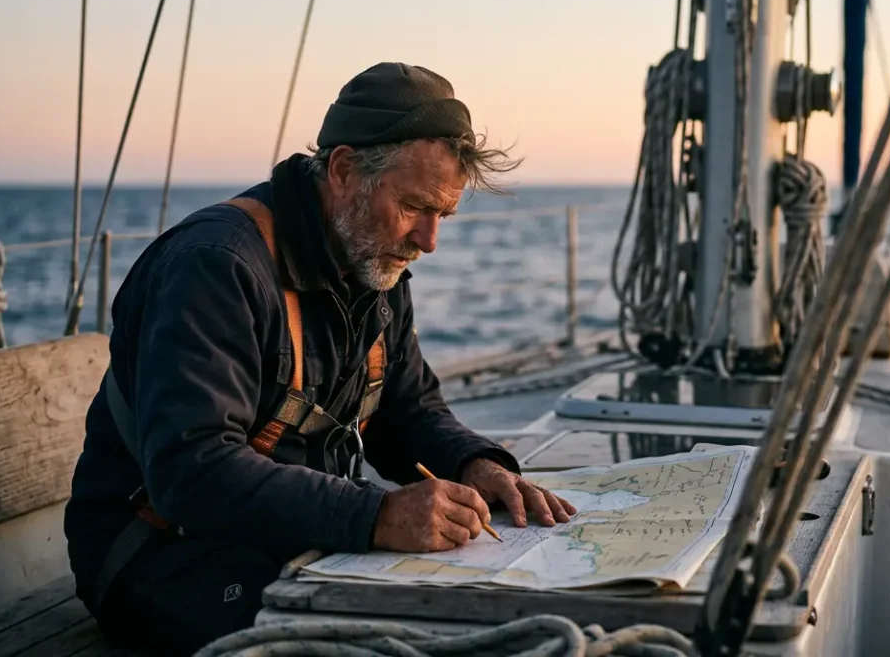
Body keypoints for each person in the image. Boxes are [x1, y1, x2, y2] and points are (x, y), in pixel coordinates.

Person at [64, 62, 577, 655]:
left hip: (299, 540)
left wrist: (475, 465)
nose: (429, 241)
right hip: (159, 556)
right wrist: (374, 517)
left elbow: (407, 412)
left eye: (445, 216)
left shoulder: (376, 260)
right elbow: (191, 472)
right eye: (414, 207)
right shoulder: (215, 267)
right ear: (342, 170)